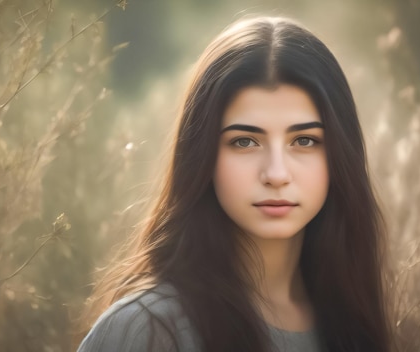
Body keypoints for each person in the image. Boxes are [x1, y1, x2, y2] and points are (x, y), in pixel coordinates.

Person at [76, 16, 392, 352]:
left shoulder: (353, 321)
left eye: (304, 140)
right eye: (245, 142)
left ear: (340, 154)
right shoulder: (145, 330)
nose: (276, 173)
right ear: (203, 156)